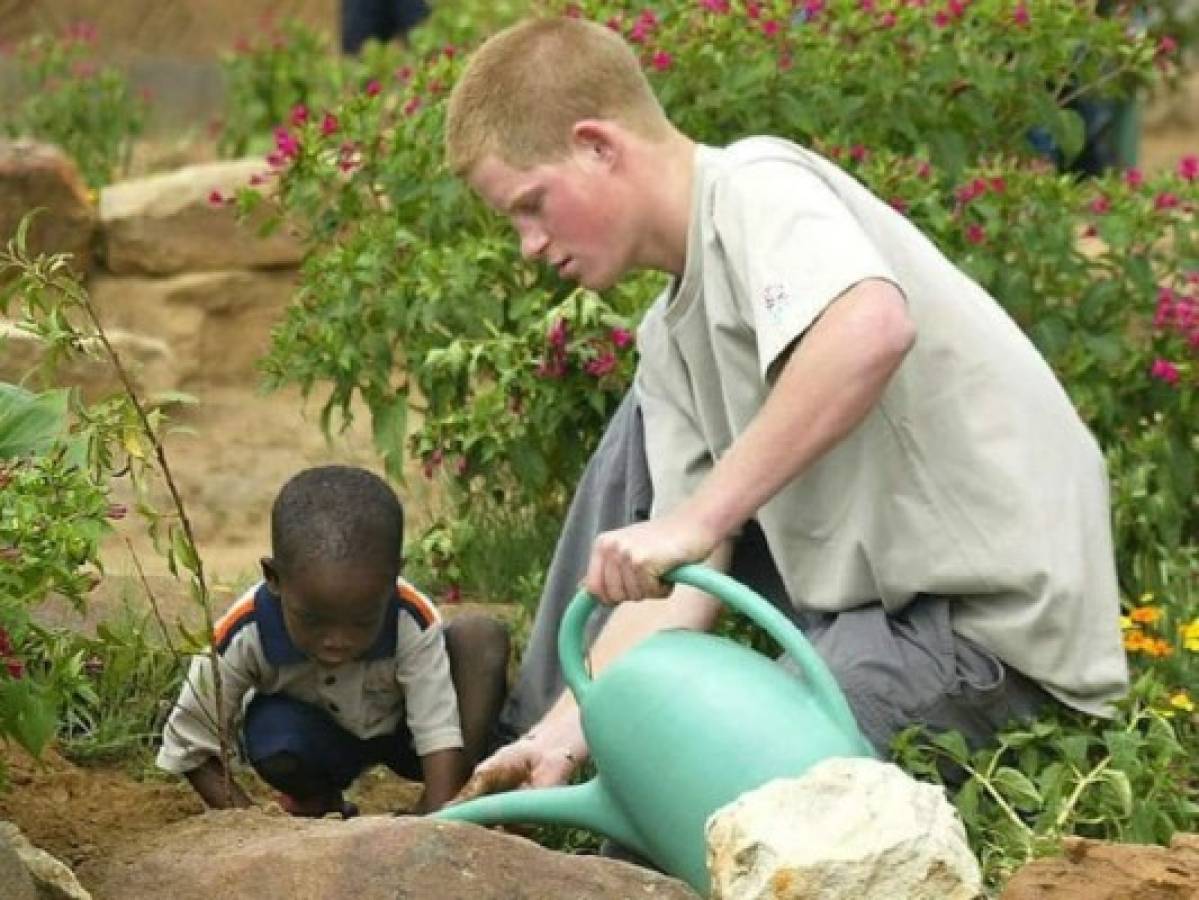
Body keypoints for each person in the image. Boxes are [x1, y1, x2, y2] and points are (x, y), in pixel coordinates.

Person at [442, 16, 1130, 801]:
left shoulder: (754, 186)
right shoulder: (669, 336)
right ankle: (527, 723)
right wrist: (567, 727)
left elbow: (871, 327)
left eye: (532, 205)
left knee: (717, 794)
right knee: (667, 761)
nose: (529, 243)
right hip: (875, 626)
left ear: (598, 145)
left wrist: (698, 517)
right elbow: (684, 579)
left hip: (990, 641)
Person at [156, 465, 509, 816]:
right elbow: (191, 745)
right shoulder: (244, 631)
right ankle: (318, 801)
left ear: (392, 580)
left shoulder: (409, 616)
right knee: (274, 735)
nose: (337, 641)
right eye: (314, 620)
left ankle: (457, 798)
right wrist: (252, 827)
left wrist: (432, 824)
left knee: (481, 638)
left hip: (407, 737)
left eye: (362, 621)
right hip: (318, 741)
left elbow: (437, 732)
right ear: (274, 578)